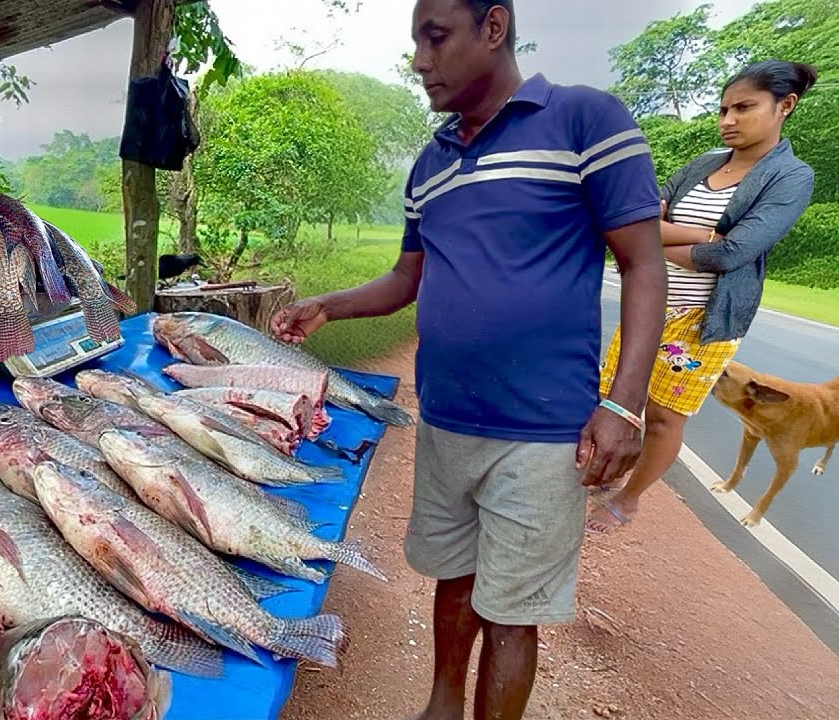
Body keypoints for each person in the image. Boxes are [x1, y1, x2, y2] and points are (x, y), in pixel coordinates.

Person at [270, 1, 666, 717]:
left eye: (435, 36)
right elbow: (405, 280)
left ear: (493, 28)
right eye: (415, 41)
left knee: (512, 608)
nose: (420, 60)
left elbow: (644, 264)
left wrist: (623, 402)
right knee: (454, 575)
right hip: (446, 418)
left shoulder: (584, 121)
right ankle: (442, 703)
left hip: (544, 431)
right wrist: (329, 304)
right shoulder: (431, 163)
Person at [586, 61, 818, 534]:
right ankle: (605, 470)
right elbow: (639, 217)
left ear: (785, 106)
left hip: (702, 321)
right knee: (615, 397)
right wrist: (704, 234)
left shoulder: (790, 178)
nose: (728, 119)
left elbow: (734, 252)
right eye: (723, 109)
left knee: (665, 419)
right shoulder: (703, 164)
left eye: (744, 107)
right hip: (647, 304)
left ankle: (628, 500)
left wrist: (664, 239)